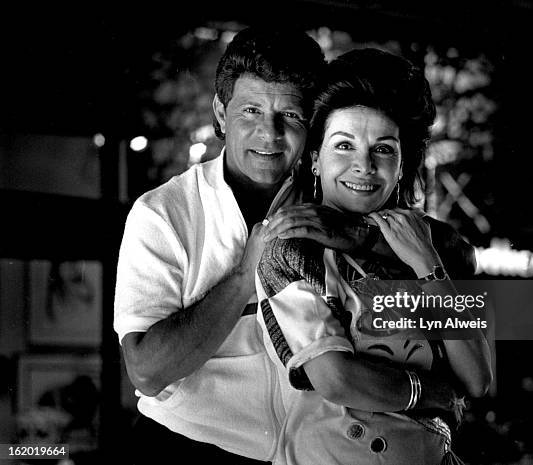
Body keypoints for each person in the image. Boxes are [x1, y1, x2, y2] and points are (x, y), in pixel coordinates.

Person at [256, 48, 492, 465]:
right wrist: (431, 391)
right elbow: (337, 379)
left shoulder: (434, 246)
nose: (363, 166)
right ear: (315, 159)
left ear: (401, 165)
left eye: (383, 149)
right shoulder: (292, 248)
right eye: (344, 145)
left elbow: (478, 377)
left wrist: (427, 264)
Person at [113, 27, 327, 464]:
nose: (269, 134)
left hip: (313, 450)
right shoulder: (163, 214)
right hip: (185, 447)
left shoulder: (332, 210)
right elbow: (147, 371)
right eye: (250, 110)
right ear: (220, 113)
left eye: (290, 115)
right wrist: (247, 275)